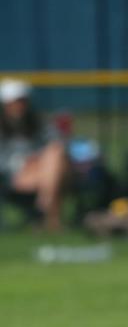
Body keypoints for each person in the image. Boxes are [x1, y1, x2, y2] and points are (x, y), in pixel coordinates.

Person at [0, 79, 70, 231]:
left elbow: (57, 143)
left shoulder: (37, 121)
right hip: (14, 175)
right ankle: (50, 216)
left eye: (23, 101)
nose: (20, 106)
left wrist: (37, 159)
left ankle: (46, 205)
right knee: (54, 164)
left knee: (54, 155)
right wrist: (23, 161)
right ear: (6, 104)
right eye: (16, 102)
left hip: (43, 170)